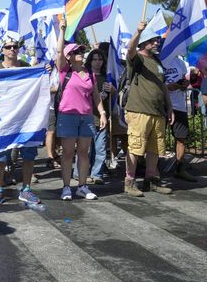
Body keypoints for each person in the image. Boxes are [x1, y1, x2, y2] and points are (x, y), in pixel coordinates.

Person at [54, 23, 105, 201]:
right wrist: (62, 30)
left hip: (87, 117)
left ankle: (82, 186)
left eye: (81, 51)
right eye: (76, 52)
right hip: (67, 115)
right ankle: (66, 187)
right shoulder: (64, 71)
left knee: (84, 152)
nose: (81, 53)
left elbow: (96, 96)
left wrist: (103, 112)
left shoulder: (89, 73)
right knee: (68, 153)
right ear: (69, 57)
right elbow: (59, 52)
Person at [123, 21, 174, 197]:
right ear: (144, 42)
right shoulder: (138, 59)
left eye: (157, 40)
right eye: (153, 40)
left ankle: (150, 181)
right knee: (136, 147)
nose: (157, 43)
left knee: (155, 148)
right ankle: (129, 182)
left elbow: (163, 85)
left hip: (158, 112)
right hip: (139, 111)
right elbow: (130, 50)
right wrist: (138, 32)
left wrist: (169, 107)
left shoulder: (157, 61)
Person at [0, 36, 39, 206]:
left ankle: (26, 190)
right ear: (2, 50)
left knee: (28, 155)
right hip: (2, 121)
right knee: (0, 157)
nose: (12, 49)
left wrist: (43, 70)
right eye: (8, 46)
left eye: (15, 46)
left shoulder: (27, 68)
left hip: (25, 120)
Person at [77, 48, 115, 184]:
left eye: (100, 59)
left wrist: (113, 90)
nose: (98, 62)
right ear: (90, 61)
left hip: (102, 117)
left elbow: (113, 96)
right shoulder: (84, 75)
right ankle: (80, 172)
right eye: (95, 59)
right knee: (85, 148)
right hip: (86, 116)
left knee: (100, 148)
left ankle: (97, 174)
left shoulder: (107, 77)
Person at [162, 55, 197, 182]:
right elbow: (156, 85)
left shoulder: (180, 62)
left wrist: (184, 84)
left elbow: (183, 80)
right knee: (157, 137)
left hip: (179, 105)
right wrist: (167, 86)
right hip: (162, 105)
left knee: (181, 137)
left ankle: (180, 169)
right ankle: (152, 171)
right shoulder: (159, 61)